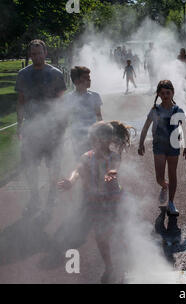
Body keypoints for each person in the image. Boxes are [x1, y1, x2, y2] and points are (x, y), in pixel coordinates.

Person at [58, 121, 132, 283]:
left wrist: (111, 172)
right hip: (95, 202)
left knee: (119, 234)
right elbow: (77, 170)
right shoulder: (86, 156)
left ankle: (125, 266)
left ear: (108, 140)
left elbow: (114, 167)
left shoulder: (114, 156)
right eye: (95, 138)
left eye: (101, 138)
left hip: (114, 201)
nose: (97, 141)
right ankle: (109, 266)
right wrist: (71, 181)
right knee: (100, 237)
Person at [15, 39, 67, 214]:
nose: (36, 56)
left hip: (52, 127)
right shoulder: (23, 74)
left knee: (53, 164)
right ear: (30, 55)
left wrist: (62, 124)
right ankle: (35, 196)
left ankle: (52, 193)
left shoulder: (56, 73)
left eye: (39, 53)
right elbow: (21, 101)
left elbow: (62, 101)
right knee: (30, 164)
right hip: (31, 127)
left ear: (45, 53)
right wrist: (19, 125)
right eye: (33, 53)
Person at [138, 80, 186, 216]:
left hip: (174, 146)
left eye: (168, 92)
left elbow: (185, 129)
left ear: (173, 93)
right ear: (159, 95)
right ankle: (164, 186)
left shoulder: (177, 110)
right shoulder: (155, 110)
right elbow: (145, 127)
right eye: (162, 93)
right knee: (159, 177)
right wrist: (141, 143)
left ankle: (171, 202)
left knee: (173, 174)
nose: (165, 95)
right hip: (159, 146)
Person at [65, 66, 103, 158]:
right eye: (85, 78)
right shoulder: (69, 98)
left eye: (89, 78)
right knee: (81, 161)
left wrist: (102, 132)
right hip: (77, 137)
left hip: (94, 136)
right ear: (76, 81)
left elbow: (99, 116)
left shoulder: (95, 96)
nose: (89, 80)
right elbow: (65, 119)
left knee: (95, 161)